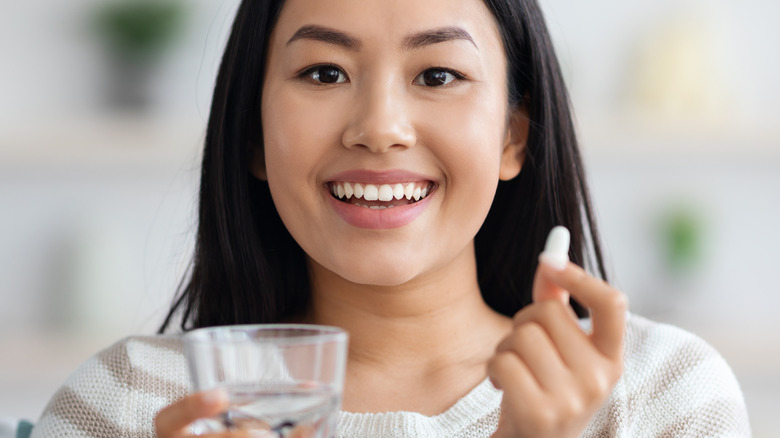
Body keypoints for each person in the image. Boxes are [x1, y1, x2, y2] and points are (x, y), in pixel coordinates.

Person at [30, 0, 751, 437]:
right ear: (251, 134)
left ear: (514, 136)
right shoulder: (127, 405)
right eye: (324, 73)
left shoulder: (660, 396)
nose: (380, 127)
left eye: (438, 75)